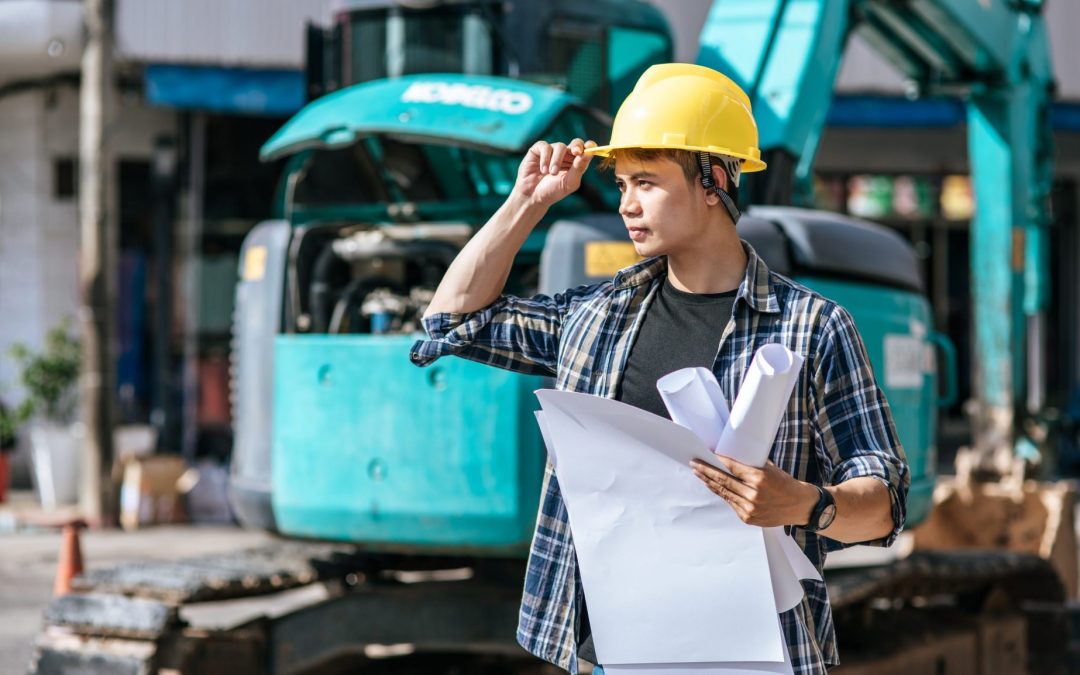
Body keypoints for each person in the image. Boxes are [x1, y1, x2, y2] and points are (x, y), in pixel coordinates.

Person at [410, 63, 909, 675]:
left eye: (645, 181)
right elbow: (452, 322)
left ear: (713, 180)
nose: (626, 204)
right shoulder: (595, 317)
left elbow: (884, 501)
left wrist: (808, 505)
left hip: (752, 656)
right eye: (620, 184)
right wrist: (525, 203)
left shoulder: (812, 327)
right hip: (610, 657)